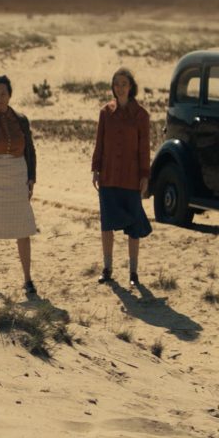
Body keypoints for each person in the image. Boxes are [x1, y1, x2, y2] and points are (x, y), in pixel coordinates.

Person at [0, 75, 39, 297]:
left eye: (3, 93)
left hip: (17, 173)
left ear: (10, 95)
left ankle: (28, 279)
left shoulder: (21, 119)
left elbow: (30, 149)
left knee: (23, 229)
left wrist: (31, 177)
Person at [90, 67, 153, 286]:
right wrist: (95, 169)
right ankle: (107, 268)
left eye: (124, 83)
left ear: (131, 86)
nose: (120, 88)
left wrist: (145, 175)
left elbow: (144, 149)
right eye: (116, 84)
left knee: (133, 226)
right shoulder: (105, 112)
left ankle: (133, 274)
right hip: (108, 176)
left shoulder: (141, 115)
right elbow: (100, 143)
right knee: (107, 224)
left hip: (131, 177)